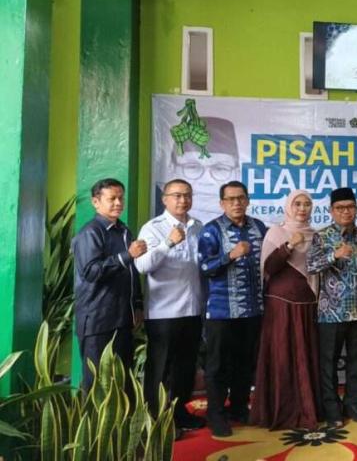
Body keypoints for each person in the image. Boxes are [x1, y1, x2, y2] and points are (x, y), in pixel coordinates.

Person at [198, 181, 268, 437]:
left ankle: (239, 407)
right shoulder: (211, 230)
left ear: (247, 200)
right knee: (217, 366)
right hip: (221, 311)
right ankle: (216, 414)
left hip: (253, 310)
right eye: (230, 199)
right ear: (222, 203)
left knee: (245, 363)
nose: (236, 203)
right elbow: (204, 268)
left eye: (240, 198)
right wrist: (230, 255)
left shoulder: (258, 227)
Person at [135, 178, 205, 431]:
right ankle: (157, 421)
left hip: (192, 309)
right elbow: (142, 266)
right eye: (177, 195)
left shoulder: (198, 227)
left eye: (187, 195)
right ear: (165, 199)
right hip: (163, 312)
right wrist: (168, 243)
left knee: (185, 367)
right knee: (161, 368)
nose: (182, 200)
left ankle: (179, 413)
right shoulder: (152, 228)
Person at [307, 187, 357, 428]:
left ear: (356, 209)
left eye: (350, 207)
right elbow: (311, 266)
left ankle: (353, 405)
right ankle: (331, 409)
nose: (345, 212)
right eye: (340, 208)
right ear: (331, 211)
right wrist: (334, 255)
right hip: (331, 312)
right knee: (328, 363)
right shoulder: (322, 236)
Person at [251, 190, 321, 430]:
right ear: (289, 206)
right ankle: (281, 411)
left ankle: (308, 409)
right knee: (282, 357)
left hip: (307, 303)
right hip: (281, 305)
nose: (302, 208)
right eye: (297, 204)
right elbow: (269, 268)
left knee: (305, 356)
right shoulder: (277, 232)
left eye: (307, 204)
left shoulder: (315, 235)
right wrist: (290, 244)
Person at [73, 178, 145, 391]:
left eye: (121, 198)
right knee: (97, 383)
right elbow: (91, 272)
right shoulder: (90, 232)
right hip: (97, 319)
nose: (118, 203)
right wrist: (127, 255)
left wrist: (137, 304)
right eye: (112, 198)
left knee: (122, 382)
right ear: (96, 202)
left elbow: (131, 271)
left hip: (122, 318)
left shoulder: (123, 230)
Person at [158, 116, 240, 224]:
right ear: (172, 169)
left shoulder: (252, 227)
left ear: (237, 173)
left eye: (220, 169)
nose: (206, 180)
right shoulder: (155, 228)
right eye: (192, 167)